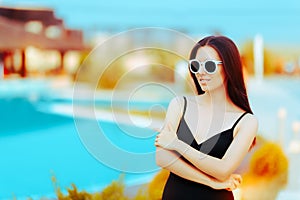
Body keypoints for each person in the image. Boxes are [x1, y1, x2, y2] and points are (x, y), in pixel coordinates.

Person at [155, 35, 258, 200]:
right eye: (196, 65)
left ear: (229, 67)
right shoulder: (180, 105)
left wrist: (177, 144)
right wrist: (211, 182)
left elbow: (223, 170)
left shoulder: (246, 121)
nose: (200, 72)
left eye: (209, 66)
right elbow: (162, 157)